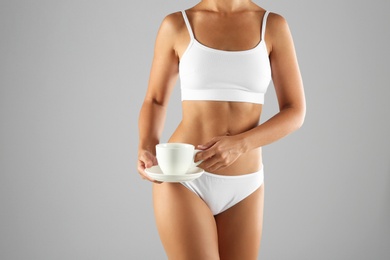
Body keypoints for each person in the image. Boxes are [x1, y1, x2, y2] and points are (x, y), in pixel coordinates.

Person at [137, 0, 306, 258]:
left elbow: (295, 111)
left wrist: (242, 144)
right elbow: (155, 100)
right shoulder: (178, 24)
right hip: (184, 178)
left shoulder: (272, 26)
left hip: (246, 185)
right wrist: (146, 147)